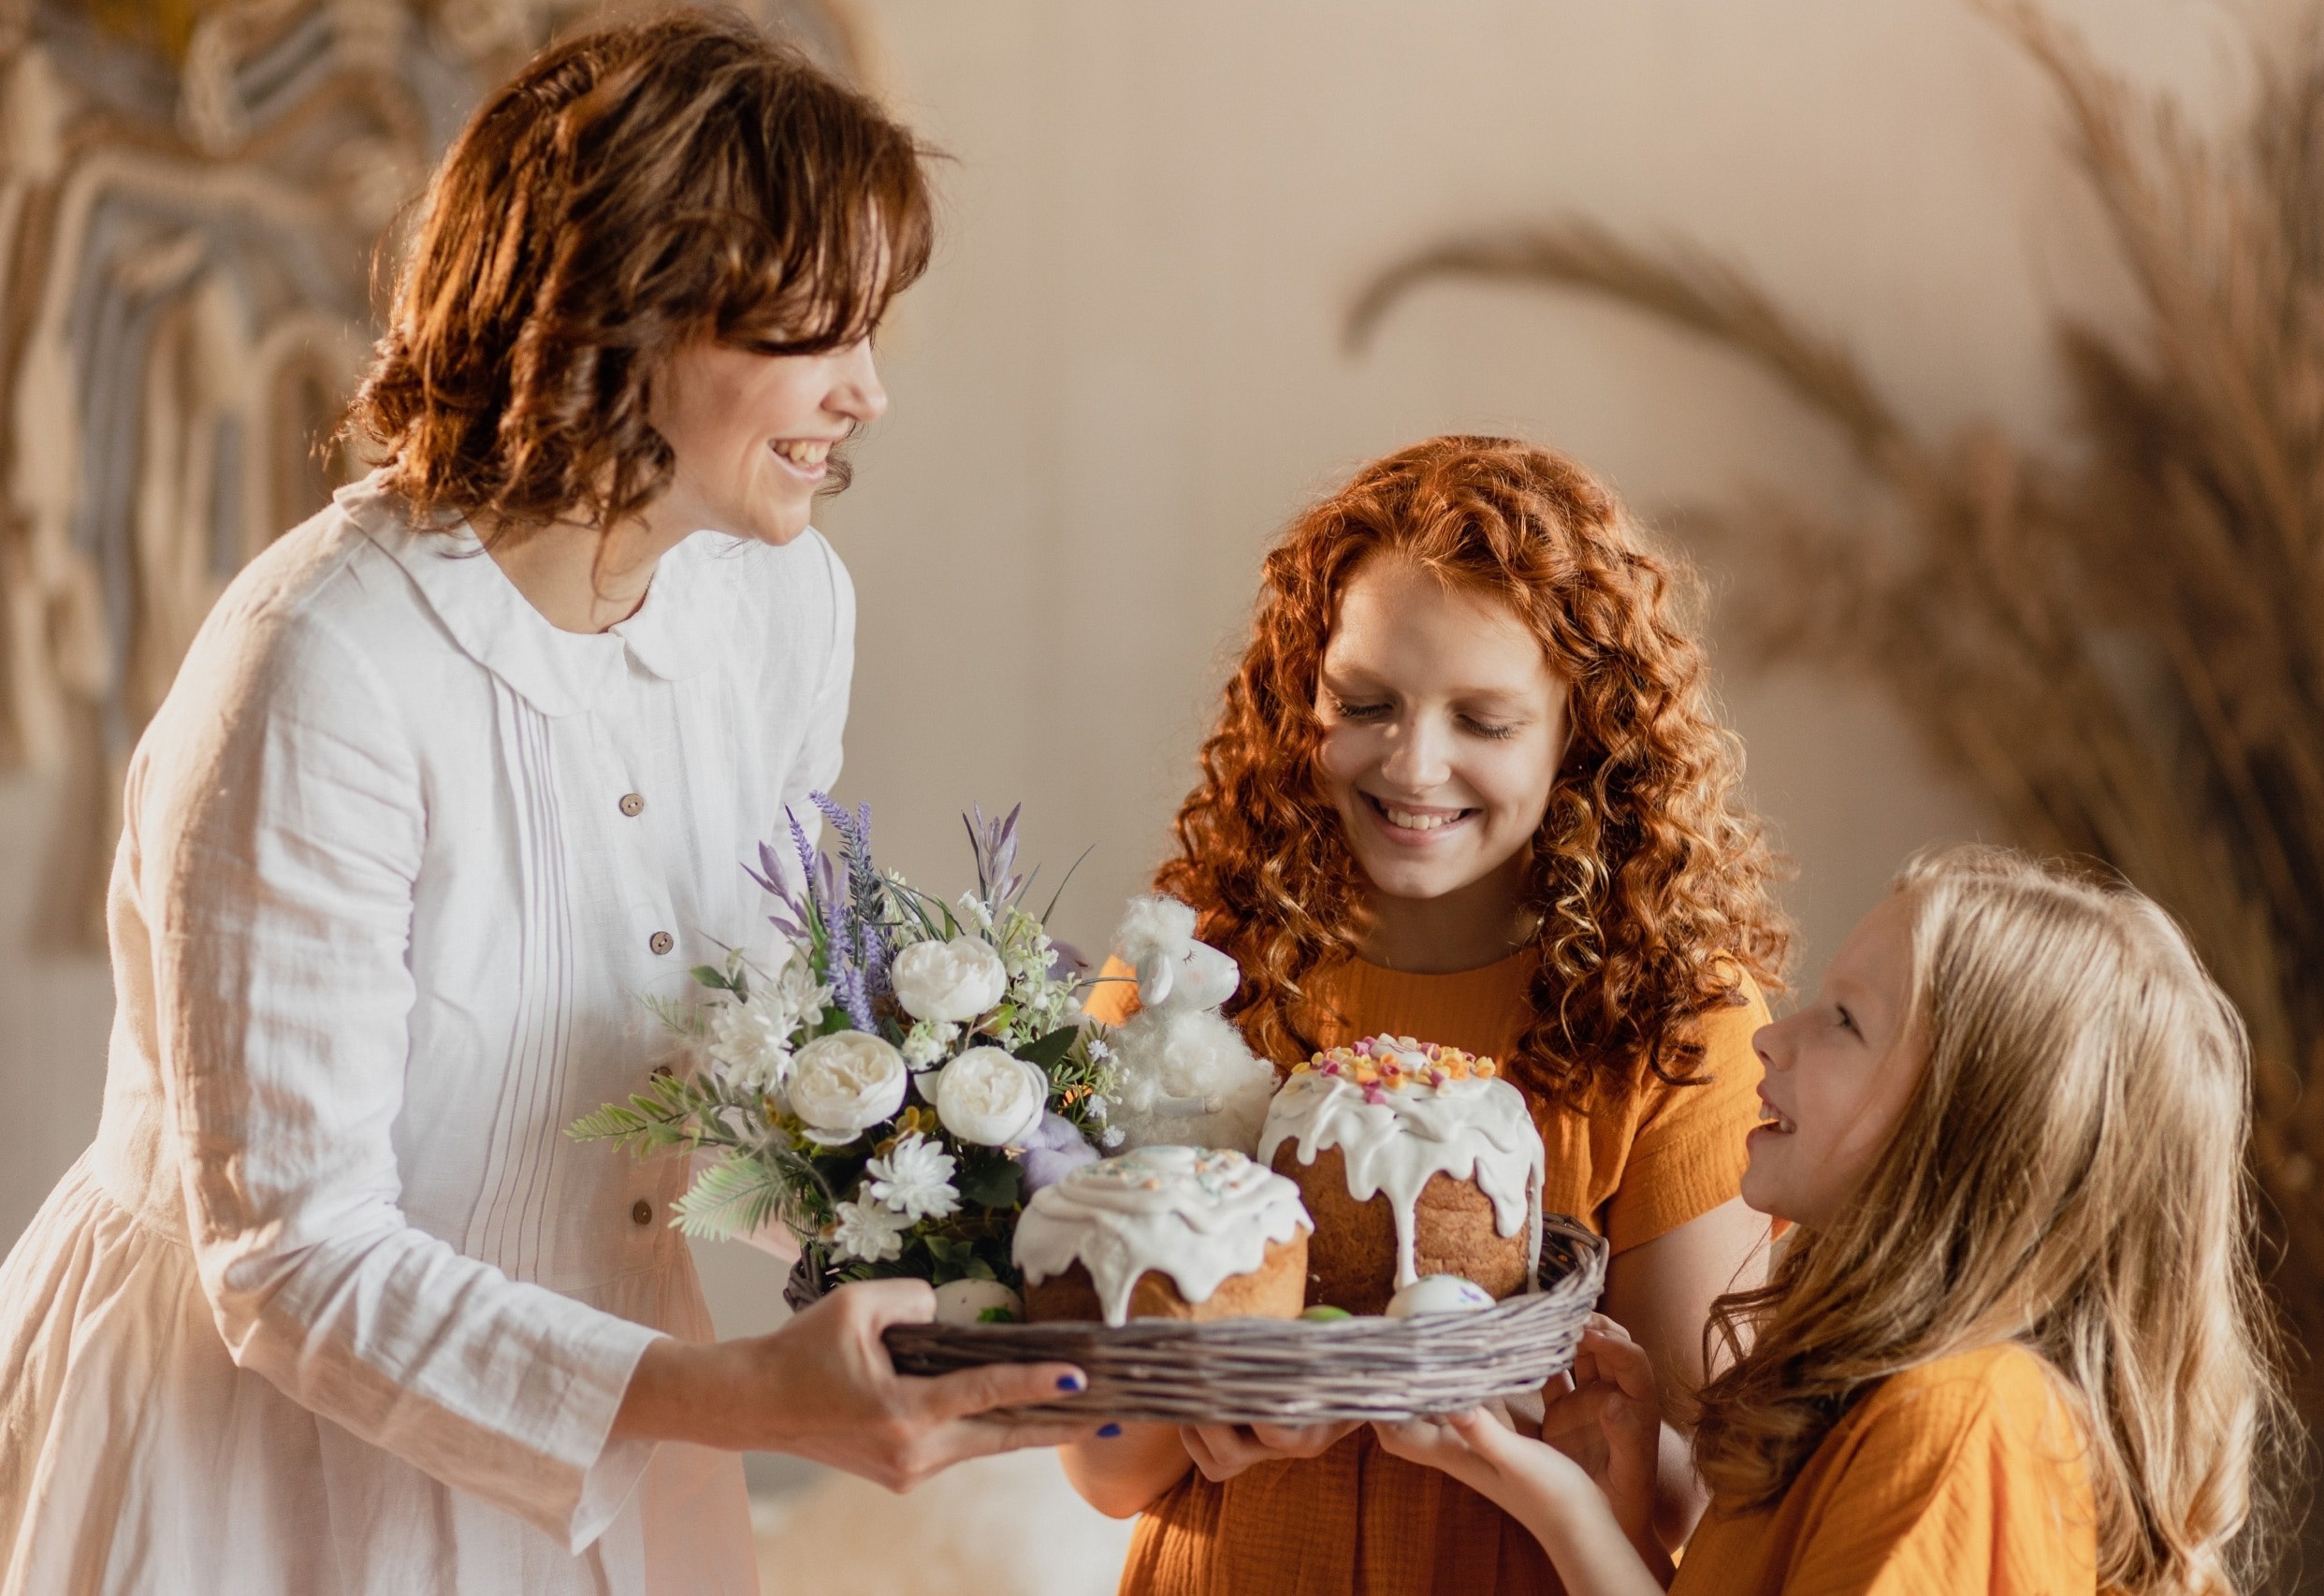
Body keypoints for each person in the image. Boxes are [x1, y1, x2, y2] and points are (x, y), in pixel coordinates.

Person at [0, 14, 1088, 1595]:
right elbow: (293, 1260)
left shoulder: (783, 607)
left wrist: (1032, 1234)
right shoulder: (322, 668)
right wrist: (738, 1396)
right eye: (820, 334)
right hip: (254, 1461)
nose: (869, 393)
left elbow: (754, 1047)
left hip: (620, 1428)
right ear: (632, 316)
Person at [1070, 436, 1793, 1595]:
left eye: (1484, 722)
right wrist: (1216, 1395)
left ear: (1584, 733)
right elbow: (1102, 1469)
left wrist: (1522, 1401)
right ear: (1300, 694)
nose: (1414, 766)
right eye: (1365, 703)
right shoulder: (1189, 972)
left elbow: (1711, 1500)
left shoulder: (1676, 1017)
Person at [1378, 847, 2288, 1595]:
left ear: (1969, 1124)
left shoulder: (1960, 1420)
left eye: (1844, 1020)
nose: (1771, 1036)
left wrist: (1565, 1512)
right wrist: (1609, 1521)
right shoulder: (1859, 1399)